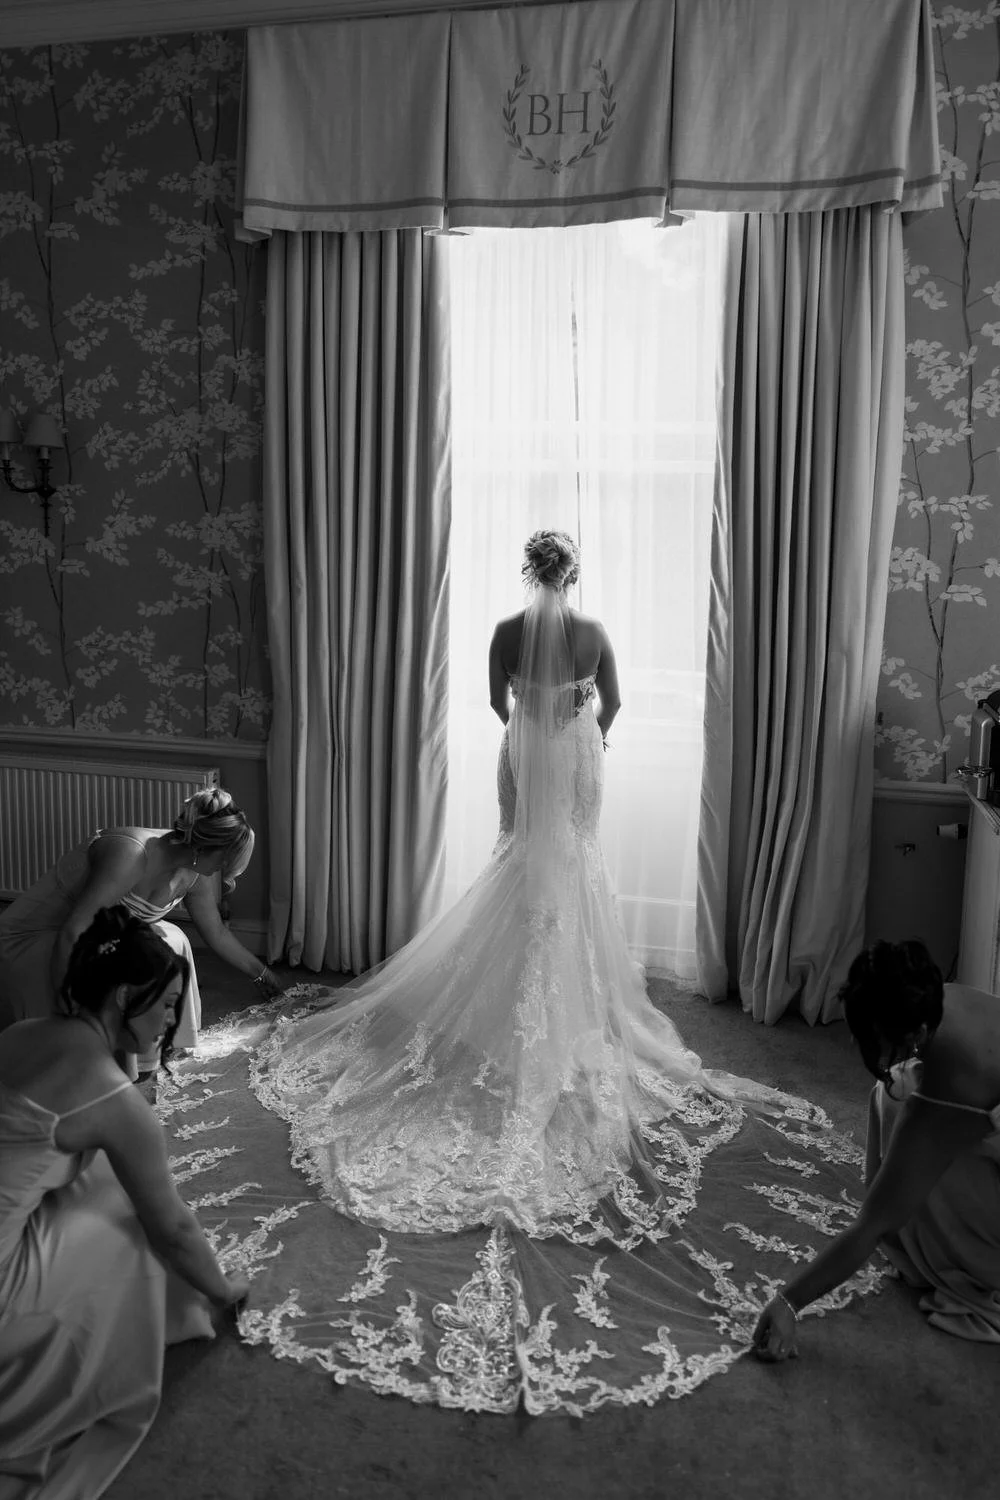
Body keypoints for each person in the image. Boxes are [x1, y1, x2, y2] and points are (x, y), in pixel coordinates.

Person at [233, 530, 884, 1413]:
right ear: (571, 576)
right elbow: (613, 705)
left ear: (526, 573)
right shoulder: (596, 633)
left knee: (520, 855)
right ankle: (567, 1006)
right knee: (574, 864)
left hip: (527, 753)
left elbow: (492, 701)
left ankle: (507, 1000)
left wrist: (531, 731)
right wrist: (581, 734)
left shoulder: (505, 632)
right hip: (575, 757)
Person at [0, 905, 249, 1498]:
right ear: (123, 997)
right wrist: (222, 1291)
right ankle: (86, 1353)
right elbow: (175, 1231)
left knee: (106, 1177)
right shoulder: (114, 1104)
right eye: (167, 1005)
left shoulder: (20, 1031)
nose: (171, 1021)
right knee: (135, 1224)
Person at [752, 939, 1000, 1360]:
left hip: (968, 1100)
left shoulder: (949, 1088)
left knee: (899, 1169)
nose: (857, 1045)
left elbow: (873, 1224)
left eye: (871, 1040)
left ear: (917, 1034)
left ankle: (971, 1253)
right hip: (976, 1097)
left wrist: (789, 1301)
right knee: (893, 1092)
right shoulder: (940, 998)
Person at [0, 786, 284, 1077]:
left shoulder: (195, 872)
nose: (225, 867)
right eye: (225, 858)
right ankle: (101, 1056)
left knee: (174, 940)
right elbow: (74, 931)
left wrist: (262, 974)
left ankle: (154, 1044)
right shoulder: (132, 853)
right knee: (128, 960)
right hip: (36, 935)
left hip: (97, 930)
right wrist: (68, 1008)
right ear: (203, 846)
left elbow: (217, 934)